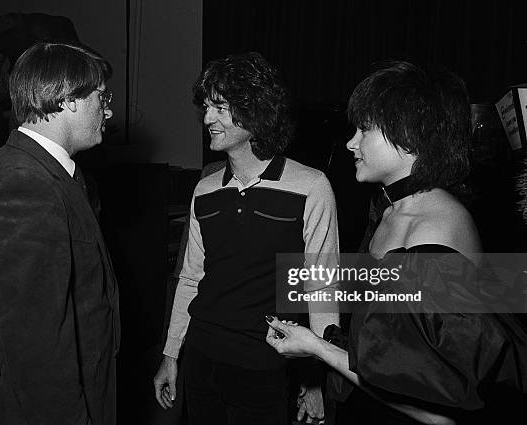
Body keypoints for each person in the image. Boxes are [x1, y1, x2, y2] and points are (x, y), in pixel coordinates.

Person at [266, 61, 527, 424]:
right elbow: (376, 332)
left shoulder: (435, 231)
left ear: (409, 138)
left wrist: (317, 349)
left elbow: (437, 411)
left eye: (365, 130)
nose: (350, 142)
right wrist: (323, 383)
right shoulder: (391, 208)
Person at [153, 51, 339, 425]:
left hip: (265, 367)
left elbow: (321, 287)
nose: (207, 119)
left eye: (220, 108)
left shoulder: (312, 186)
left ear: (257, 111)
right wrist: (171, 355)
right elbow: (190, 277)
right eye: (206, 107)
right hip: (202, 360)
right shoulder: (204, 189)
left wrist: (317, 378)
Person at [0, 41, 120, 425]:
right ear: (68, 99)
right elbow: (38, 350)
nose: (109, 110)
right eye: (102, 97)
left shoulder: (47, 174)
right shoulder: (26, 184)